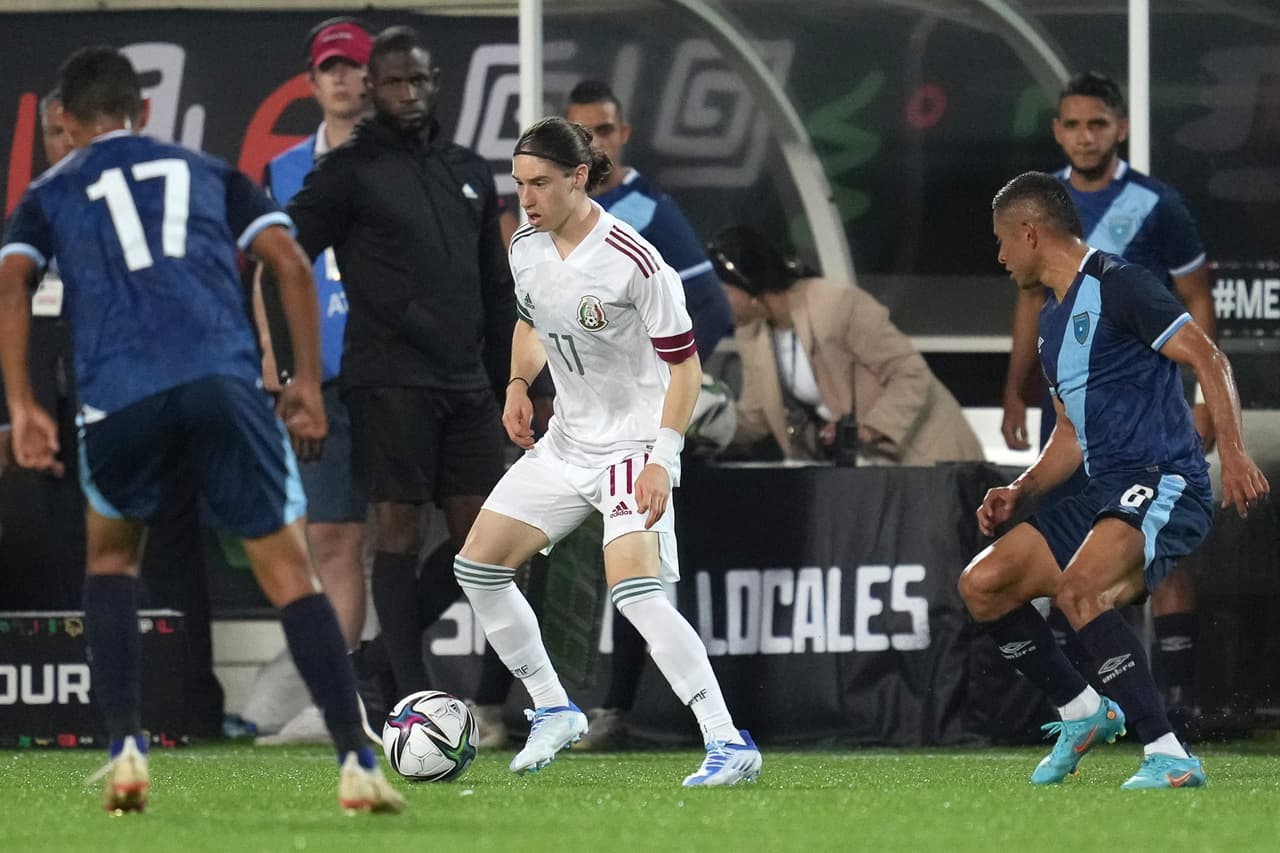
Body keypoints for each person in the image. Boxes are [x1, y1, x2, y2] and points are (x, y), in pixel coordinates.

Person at [0, 47, 402, 813]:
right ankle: (357, 760)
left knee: (111, 562)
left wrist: (23, 405)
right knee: (290, 573)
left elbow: (12, 281)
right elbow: (289, 263)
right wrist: (304, 383)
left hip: (118, 395)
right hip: (222, 382)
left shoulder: (49, 191)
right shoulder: (209, 171)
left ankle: (125, 748)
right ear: (144, 110)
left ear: (66, 121)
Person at [452, 115, 762, 786]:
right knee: (477, 567)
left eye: (540, 183)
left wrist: (663, 459)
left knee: (636, 594)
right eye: (518, 184)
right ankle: (553, 707)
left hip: (633, 445)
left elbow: (685, 372)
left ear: (578, 178)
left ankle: (726, 740)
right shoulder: (527, 247)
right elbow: (531, 323)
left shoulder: (636, 262)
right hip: (567, 443)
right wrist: (517, 383)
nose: (526, 198)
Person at [960, 171, 1268, 788]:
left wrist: (1233, 453)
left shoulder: (1120, 283)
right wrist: (1022, 489)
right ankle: (1082, 709)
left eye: (1001, 240)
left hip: (1165, 480)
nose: (999, 256)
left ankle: (1170, 754)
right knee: (983, 585)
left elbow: (1208, 357)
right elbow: (1069, 435)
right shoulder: (1052, 321)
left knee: (1080, 592)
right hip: (1105, 492)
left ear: (1029, 232)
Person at [284, 26, 514, 704]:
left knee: (489, 540)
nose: (407, 93)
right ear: (372, 89)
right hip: (387, 378)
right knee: (399, 532)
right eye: (393, 82)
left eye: (417, 80)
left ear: (435, 83)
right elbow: (282, 258)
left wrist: (520, 384)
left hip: (468, 381)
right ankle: (413, 696)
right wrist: (298, 372)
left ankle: (387, 661)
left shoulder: (469, 170)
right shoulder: (347, 173)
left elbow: (497, 286)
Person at [999, 71, 1216, 732]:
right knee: (1071, 559)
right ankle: (1089, 707)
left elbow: (1195, 301)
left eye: (1097, 123)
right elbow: (1032, 301)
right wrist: (1014, 387)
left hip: (1145, 414)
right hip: (1072, 410)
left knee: (1153, 556)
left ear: (1119, 127)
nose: (1085, 136)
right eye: (1072, 124)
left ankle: (1178, 703)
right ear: (1057, 131)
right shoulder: (1042, 201)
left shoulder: (1155, 204)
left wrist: (1204, 402)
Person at [247, 16, 375, 746]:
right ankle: (342, 700)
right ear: (312, 81)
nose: (343, 78)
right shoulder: (285, 168)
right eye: (331, 68)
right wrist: (276, 355)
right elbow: (268, 266)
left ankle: (460, 692)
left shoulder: (400, 157)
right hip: (321, 377)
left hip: (397, 372)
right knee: (329, 536)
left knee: (425, 538)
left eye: (353, 66)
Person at [710, 224, 984, 465]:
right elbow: (756, 417)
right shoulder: (752, 334)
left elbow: (910, 372)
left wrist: (867, 430)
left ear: (748, 284)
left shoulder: (835, 304)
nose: (715, 301)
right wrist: (703, 419)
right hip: (872, 473)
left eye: (722, 291)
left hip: (929, 457)